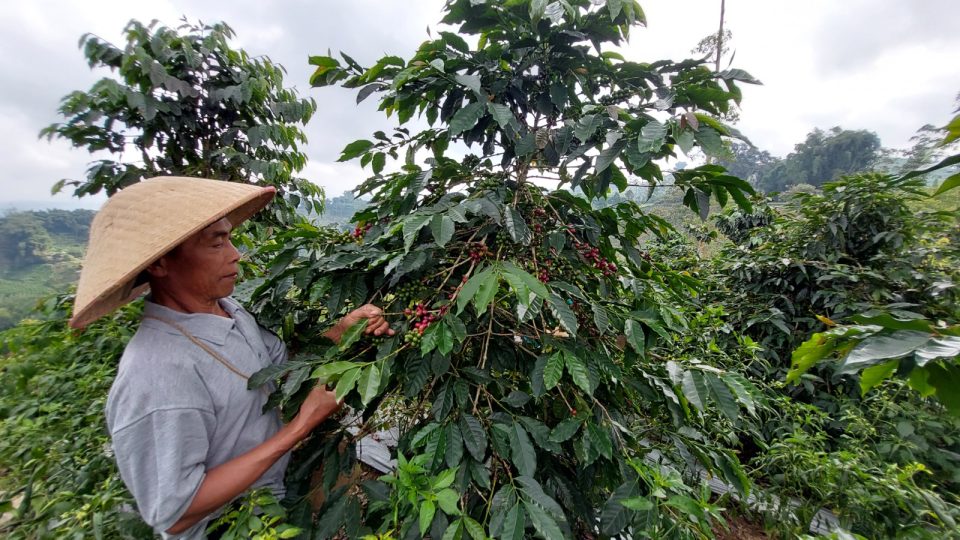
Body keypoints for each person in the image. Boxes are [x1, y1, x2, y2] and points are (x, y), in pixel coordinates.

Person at [69, 176, 393, 539]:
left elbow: (276, 369)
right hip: (234, 528)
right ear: (160, 264)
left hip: (277, 498)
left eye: (229, 238)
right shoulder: (155, 374)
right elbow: (175, 512)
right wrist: (301, 425)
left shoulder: (228, 309)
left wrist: (341, 331)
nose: (235, 253)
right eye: (216, 243)